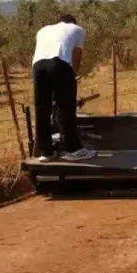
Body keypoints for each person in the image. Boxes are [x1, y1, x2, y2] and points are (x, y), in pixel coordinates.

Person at [31, 14, 96, 162]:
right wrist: (72, 75)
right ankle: (74, 150)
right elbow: (76, 55)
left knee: (41, 109)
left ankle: (46, 152)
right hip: (59, 64)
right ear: (73, 22)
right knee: (66, 108)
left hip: (38, 67)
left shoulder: (43, 30)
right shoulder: (78, 29)